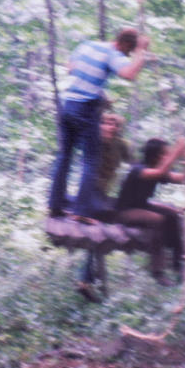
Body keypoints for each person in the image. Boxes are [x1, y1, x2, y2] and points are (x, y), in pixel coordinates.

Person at [48, 28, 150, 222]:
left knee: (64, 156)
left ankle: (54, 205)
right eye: (129, 52)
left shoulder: (87, 45)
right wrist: (141, 51)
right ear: (126, 45)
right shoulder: (113, 53)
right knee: (91, 160)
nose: (127, 56)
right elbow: (129, 74)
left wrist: (100, 93)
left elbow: (70, 68)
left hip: (67, 103)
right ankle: (82, 212)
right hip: (85, 108)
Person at [115, 138, 185, 286]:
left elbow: (182, 179)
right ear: (155, 156)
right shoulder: (139, 169)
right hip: (125, 212)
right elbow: (159, 172)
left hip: (143, 206)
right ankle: (157, 271)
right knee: (157, 219)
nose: (168, 157)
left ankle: (177, 262)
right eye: (165, 154)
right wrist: (178, 150)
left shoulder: (157, 169)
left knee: (174, 215)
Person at [77, 113, 133, 302]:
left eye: (114, 124)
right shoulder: (94, 140)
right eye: (106, 123)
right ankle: (86, 279)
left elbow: (134, 165)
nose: (110, 127)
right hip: (90, 192)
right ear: (100, 125)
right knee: (97, 231)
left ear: (118, 128)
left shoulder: (121, 145)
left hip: (104, 194)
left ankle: (87, 280)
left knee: (98, 235)